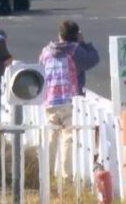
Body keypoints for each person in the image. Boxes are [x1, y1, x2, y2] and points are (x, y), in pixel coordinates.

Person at [38, 20, 100, 182]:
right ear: (75, 35)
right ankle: (66, 176)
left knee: (51, 137)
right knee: (68, 137)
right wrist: (84, 43)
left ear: (60, 34)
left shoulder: (46, 51)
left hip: (50, 99)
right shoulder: (75, 50)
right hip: (70, 100)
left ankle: (47, 172)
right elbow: (93, 59)